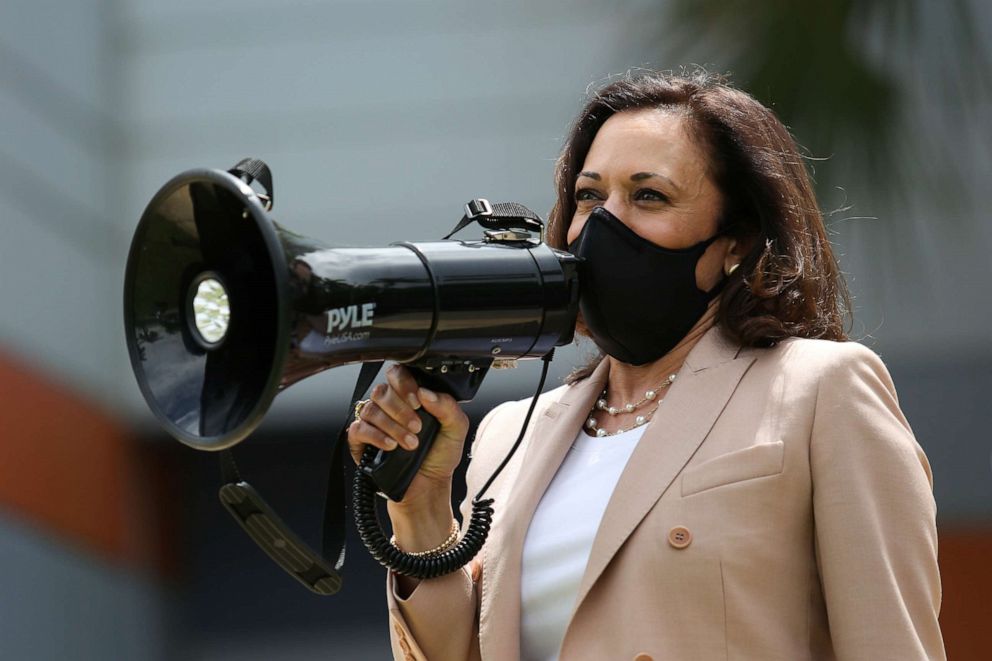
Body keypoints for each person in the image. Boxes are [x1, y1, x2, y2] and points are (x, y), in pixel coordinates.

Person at [347, 70, 945, 661]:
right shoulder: (512, 433)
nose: (604, 224)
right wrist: (421, 506)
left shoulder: (821, 388)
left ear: (735, 242)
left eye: (648, 195)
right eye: (589, 196)